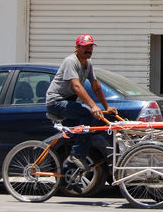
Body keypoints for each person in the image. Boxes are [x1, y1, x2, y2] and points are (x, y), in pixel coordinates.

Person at [45, 34, 116, 170]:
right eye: (85, 47)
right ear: (77, 48)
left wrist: (106, 107)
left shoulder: (88, 63)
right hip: (56, 101)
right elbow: (76, 86)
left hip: (69, 101)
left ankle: (72, 160)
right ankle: (77, 154)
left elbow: (96, 86)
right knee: (87, 114)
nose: (89, 50)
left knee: (92, 123)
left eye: (91, 47)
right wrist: (93, 106)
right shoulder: (71, 61)